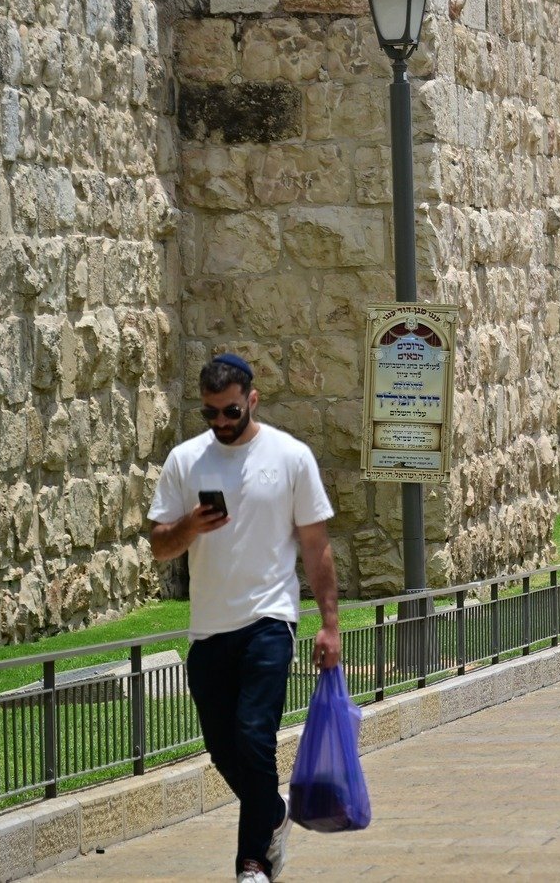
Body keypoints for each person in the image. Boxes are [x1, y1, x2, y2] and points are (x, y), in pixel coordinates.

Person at [149, 354, 339, 883]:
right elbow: (159, 546)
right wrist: (189, 527)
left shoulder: (290, 457)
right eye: (210, 413)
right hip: (209, 629)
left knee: (254, 736)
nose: (221, 422)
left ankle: (251, 863)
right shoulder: (186, 461)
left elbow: (316, 546)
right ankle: (273, 813)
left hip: (269, 620)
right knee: (223, 749)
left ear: (252, 400)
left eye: (230, 411)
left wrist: (329, 624)